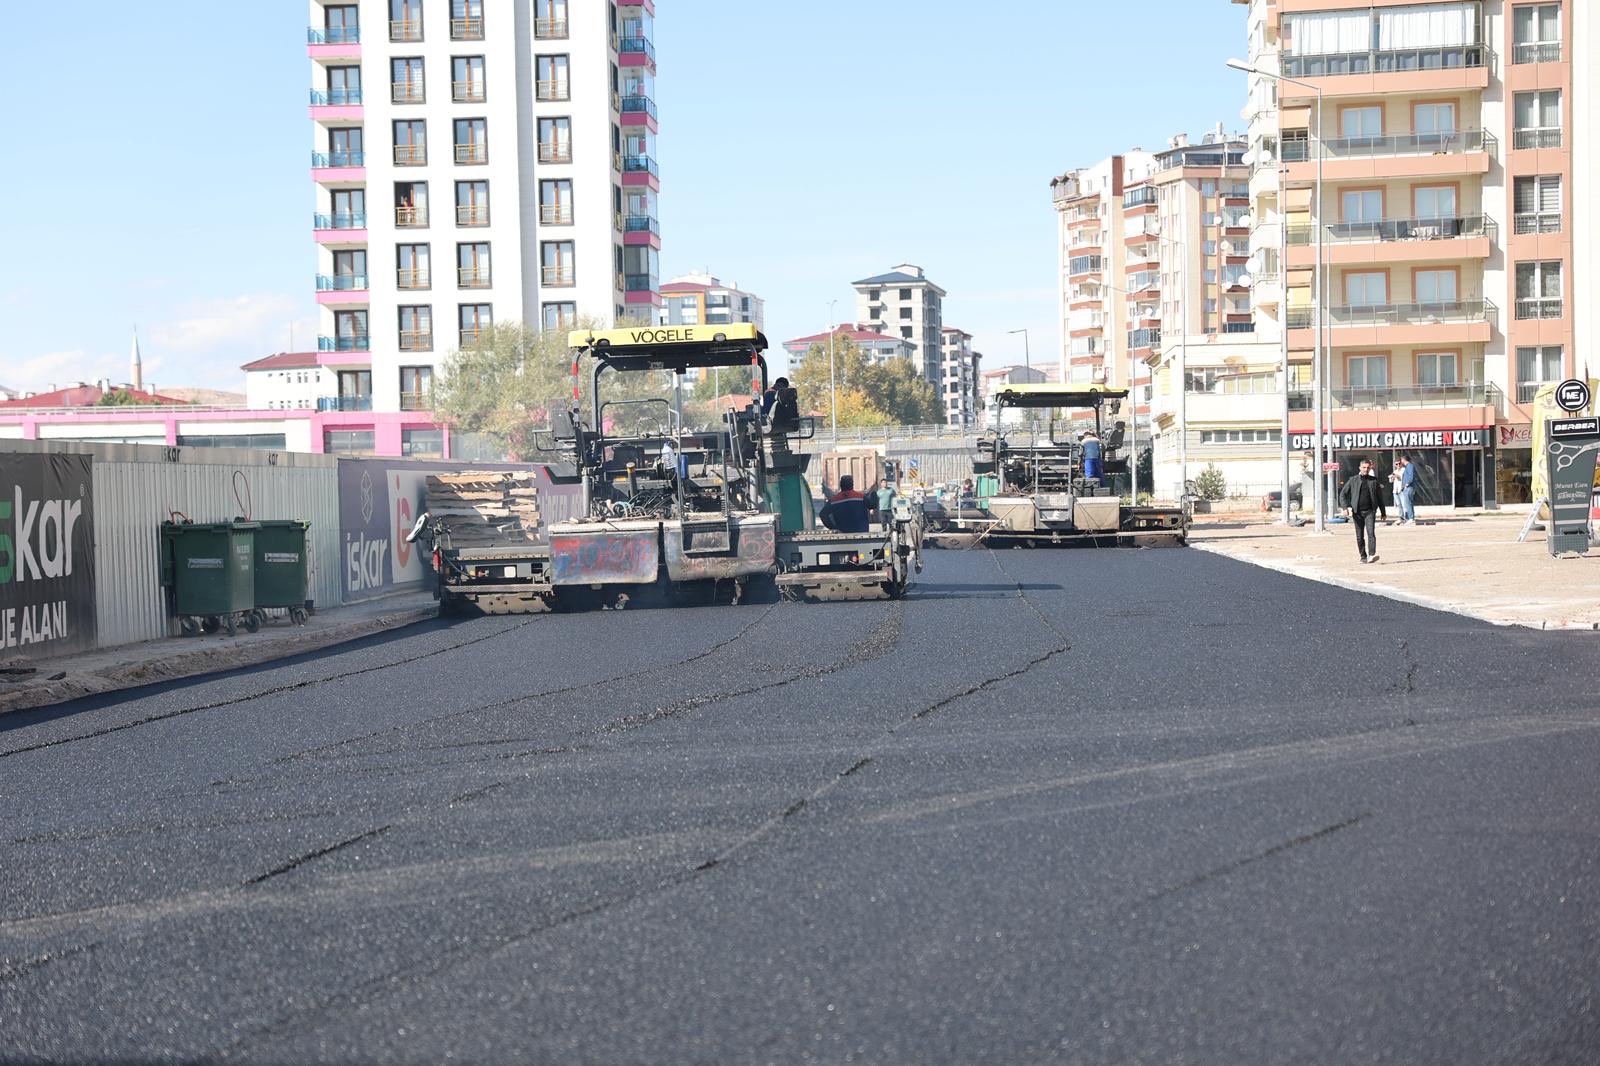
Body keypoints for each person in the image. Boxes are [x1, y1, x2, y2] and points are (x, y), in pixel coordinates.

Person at [1339, 457, 1388, 563]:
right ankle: (1363, 556)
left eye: (1368, 468)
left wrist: (1383, 512)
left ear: (1370, 468)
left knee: (1371, 533)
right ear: (1360, 468)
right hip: (1357, 512)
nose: (1366, 469)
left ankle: (1372, 555)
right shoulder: (1353, 480)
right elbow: (1343, 494)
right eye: (1364, 467)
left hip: (1370, 511)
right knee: (1359, 536)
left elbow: (1380, 498)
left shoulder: (1374, 481)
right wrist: (1344, 507)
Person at [1396, 455, 1417, 524]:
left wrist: (1406, 484)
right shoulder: (1407, 466)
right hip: (1406, 488)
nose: (1401, 461)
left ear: (1404, 459)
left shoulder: (1410, 466)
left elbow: (1411, 476)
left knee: (1408, 503)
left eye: (1401, 460)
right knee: (1408, 503)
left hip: (1408, 487)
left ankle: (1411, 518)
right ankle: (1411, 518)